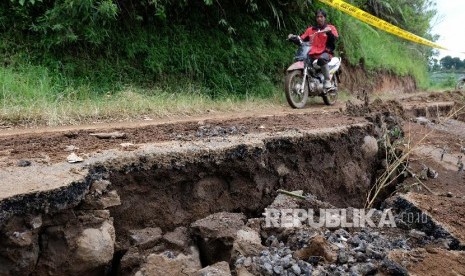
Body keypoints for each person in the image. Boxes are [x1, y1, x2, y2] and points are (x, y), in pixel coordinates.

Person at [291, 9, 339, 89]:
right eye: (318, 17)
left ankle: (327, 80)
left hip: (326, 52)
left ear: (325, 18)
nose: (319, 18)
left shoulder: (330, 28)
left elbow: (335, 38)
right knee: (302, 60)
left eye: (321, 17)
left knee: (321, 59)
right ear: (316, 18)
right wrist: (294, 38)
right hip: (312, 53)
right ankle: (309, 82)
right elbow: (302, 38)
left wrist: (329, 32)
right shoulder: (310, 30)